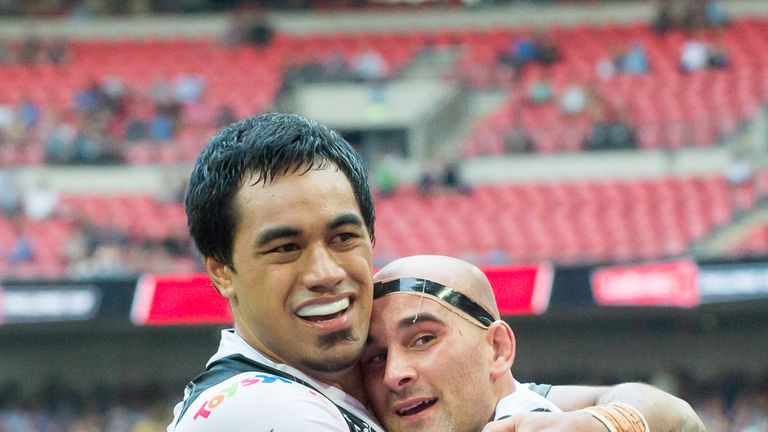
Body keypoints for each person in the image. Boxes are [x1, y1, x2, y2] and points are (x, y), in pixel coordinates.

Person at [169, 113, 704, 431]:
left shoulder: (360, 383)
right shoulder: (260, 409)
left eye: (343, 237)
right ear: (222, 272)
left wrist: (601, 423)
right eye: (285, 247)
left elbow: (671, 414)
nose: (325, 272)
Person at [362, 255, 707, 432]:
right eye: (376, 356)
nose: (394, 373)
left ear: (498, 348)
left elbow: (677, 418)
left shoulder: (535, 418)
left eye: (423, 339)